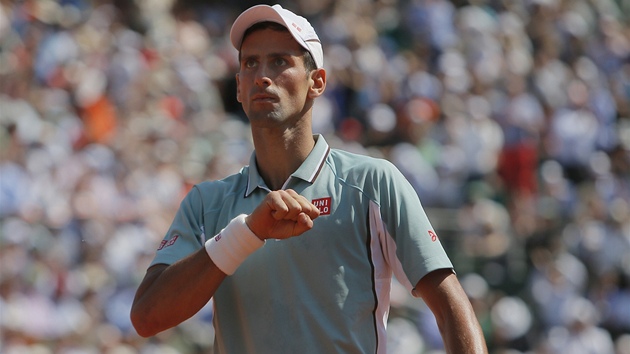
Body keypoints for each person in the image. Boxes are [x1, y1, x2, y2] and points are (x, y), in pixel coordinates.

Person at [130, 4, 488, 353]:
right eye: (250, 63)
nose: (262, 75)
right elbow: (147, 317)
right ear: (239, 87)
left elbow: (450, 306)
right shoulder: (206, 202)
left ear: (317, 82)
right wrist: (247, 233)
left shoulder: (373, 182)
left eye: (280, 61)